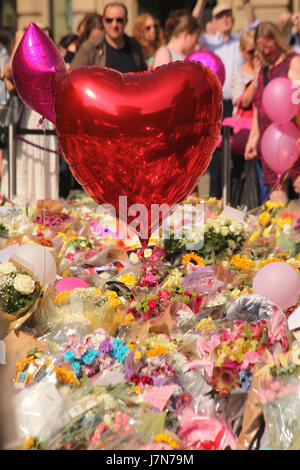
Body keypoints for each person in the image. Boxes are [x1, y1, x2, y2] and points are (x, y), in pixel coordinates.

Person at [192, 0, 258, 200]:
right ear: (214, 20)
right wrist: (201, 3)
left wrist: (245, 3)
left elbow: (254, 25)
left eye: (229, 15)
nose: (226, 19)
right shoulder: (209, 41)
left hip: (234, 106)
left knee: (236, 155)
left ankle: (232, 200)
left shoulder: (239, 41)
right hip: (214, 104)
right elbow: (192, 25)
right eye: (221, 16)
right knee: (215, 156)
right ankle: (214, 200)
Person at [0, 29, 60, 202]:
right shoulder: (9, 67)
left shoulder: (44, 63)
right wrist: (19, 42)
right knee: (22, 176)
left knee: (43, 181)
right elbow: (8, 74)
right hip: (20, 126)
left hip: (42, 123)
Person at [245, 21, 300, 204]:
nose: (266, 52)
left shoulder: (293, 62)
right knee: (276, 195)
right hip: (271, 142)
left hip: (294, 139)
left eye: (269, 46)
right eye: (261, 48)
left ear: (277, 41)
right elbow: (258, 106)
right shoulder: (263, 70)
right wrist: (253, 138)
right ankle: (281, 233)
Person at [70, 2, 147, 73]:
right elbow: (73, 78)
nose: (114, 25)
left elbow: (143, 77)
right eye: (109, 20)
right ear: (103, 21)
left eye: (119, 20)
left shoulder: (134, 46)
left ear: (126, 21)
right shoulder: (90, 48)